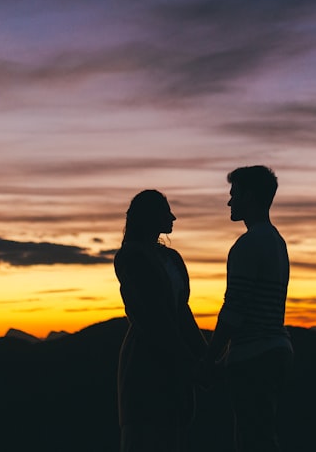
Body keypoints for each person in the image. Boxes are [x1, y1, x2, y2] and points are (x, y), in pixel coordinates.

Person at [202, 165, 292, 452]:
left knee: (252, 441)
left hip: (254, 357)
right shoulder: (277, 242)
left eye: (234, 194)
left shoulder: (248, 244)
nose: (229, 201)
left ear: (250, 197)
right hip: (276, 350)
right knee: (263, 435)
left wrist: (209, 359)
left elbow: (234, 311)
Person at [113, 189, 207, 452]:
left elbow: (182, 312)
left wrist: (205, 354)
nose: (173, 217)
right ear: (149, 216)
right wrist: (191, 361)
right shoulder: (130, 258)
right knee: (148, 434)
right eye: (166, 211)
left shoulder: (171, 258)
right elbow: (154, 319)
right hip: (146, 360)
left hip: (173, 359)